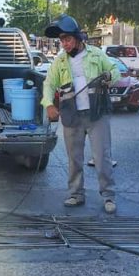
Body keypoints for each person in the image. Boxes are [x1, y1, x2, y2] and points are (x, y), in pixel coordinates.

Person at [41, 14, 120, 213]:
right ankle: (76, 194)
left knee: (102, 157)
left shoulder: (96, 54)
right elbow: (49, 84)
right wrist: (49, 104)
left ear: (77, 38)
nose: (64, 44)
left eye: (67, 39)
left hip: (97, 114)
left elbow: (115, 69)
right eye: (61, 41)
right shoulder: (59, 62)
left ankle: (108, 196)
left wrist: (110, 75)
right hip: (71, 117)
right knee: (74, 159)